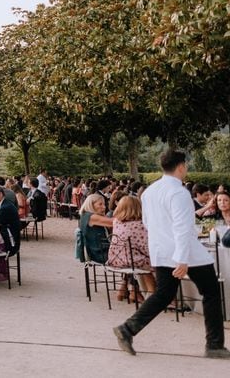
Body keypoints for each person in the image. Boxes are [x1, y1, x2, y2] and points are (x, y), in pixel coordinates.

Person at [114, 149, 230, 359]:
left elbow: (147, 223)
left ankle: (128, 328)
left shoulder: (149, 191)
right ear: (181, 166)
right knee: (211, 292)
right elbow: (183, 227)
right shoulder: (179, 193)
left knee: (163, 295)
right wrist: (182, 259)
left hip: (161, 251)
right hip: (186, 253)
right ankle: (214, 345)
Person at [107, 194, 155, 302]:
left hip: (116, 259)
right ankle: (154, 294)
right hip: (132, 261)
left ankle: (128, 290)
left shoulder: (116, 222)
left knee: (137, 259)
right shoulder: (140, 224)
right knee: (158, 263)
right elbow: (145, 246)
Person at [77, 192, 111, 264]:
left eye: (104, 204)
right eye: (100, 204)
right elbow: (113, 222)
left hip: (97, 251)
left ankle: (129, 275)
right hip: (100, 253)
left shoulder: (85, 215)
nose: (104, 207)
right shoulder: (91, 217)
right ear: (91, 205)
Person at [0, 185, 22, 256]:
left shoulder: (4, 208)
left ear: (0, 194)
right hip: (12, 240)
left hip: (11, 244)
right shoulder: (5, 203)